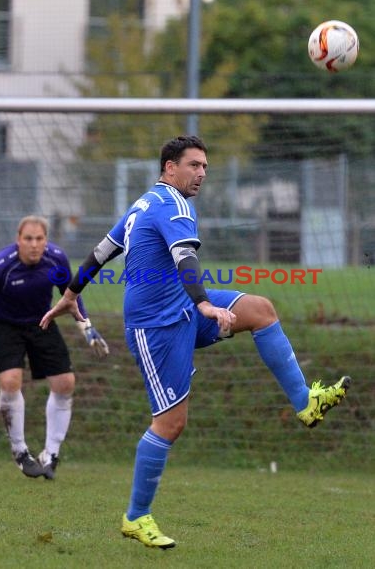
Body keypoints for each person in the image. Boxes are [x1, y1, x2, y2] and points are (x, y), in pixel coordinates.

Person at [40, 136, 351, 547]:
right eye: (194, 165)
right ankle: (136, 517)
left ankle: (305, 403)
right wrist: (204, 304)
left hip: (183, 310)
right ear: (170, 167)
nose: (202, 172)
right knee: (171, 424)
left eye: (205, 166)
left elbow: (101, 251)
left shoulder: (144, 203)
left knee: (260, 309)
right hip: (157, 326)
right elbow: (185, 257)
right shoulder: (173, 204)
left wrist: (72, 293)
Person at [0, 215, 109, 480]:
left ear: (46, 241)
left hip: (41, 321)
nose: (34, 244)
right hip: (4, 325)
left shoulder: (56, 259)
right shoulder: (1, 266)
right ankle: (21, 452)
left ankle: (50, 455)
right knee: (10, 381)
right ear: (18, 240)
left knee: (65, 383)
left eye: (39, 239)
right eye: (28, 239)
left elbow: (70, 297)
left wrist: (88, 330)